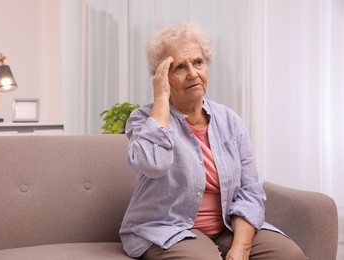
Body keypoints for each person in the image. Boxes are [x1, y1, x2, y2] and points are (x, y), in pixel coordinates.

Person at [119, 23, 308, 260]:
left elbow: (250, 190)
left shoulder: (230, 120)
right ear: (163, 76)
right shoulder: (145, 119)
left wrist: (241, 247)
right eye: (179, 67)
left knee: (289, 255)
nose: (192, 73)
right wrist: (161, 99)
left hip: (227, 228)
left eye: (198, 62)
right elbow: (153, 164)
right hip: (170, 230)